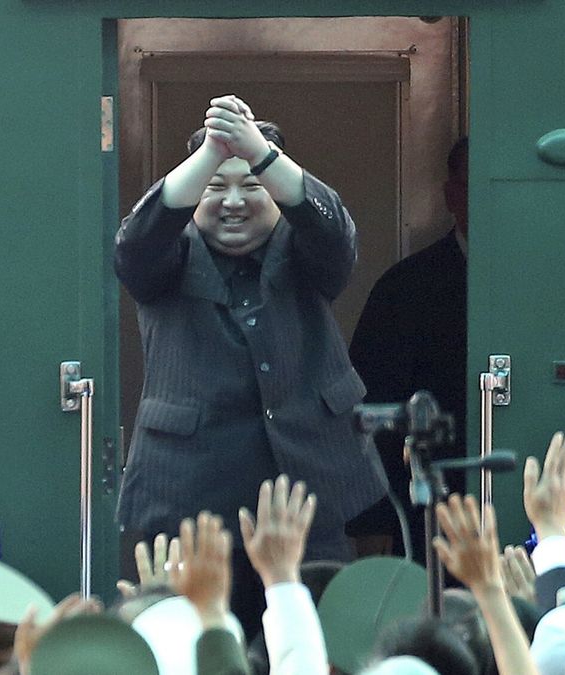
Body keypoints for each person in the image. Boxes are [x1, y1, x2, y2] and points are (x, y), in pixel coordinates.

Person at [115, 95, 385, 632]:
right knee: (195, 647)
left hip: (306, 501)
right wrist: (214, 150)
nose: (233, 202)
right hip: (188, 501)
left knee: (315, 645)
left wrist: (258, 151)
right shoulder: (165, 255)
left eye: (252, 186)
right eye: (216, 187)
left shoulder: (308, 250)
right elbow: (137, 243)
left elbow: (334, 230)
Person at [347, 137, 470, 557]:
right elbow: (369, 416)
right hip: (423, 514)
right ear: (452, 195)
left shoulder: (548, 284)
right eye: (474, 187)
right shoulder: (405, 290)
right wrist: (373, 523)